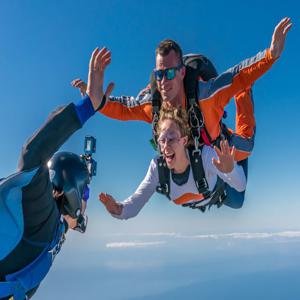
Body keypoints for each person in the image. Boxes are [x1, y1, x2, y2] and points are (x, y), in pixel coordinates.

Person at [72, 18, 292, 162]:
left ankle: (244, 94)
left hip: (213, 141)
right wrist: (95, 100)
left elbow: (237, 74)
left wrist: (270, 55)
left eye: (169, 73)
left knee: (247, 146)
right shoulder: (153, 104)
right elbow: (123, 108)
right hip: (185, 150)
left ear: (182, 73)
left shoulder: (205, 95)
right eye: (159, 74)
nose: (163, 81)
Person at [0, 47, 111, 300]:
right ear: (69, 192)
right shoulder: (39, 212)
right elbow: (32, 154)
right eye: (85, 193)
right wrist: (87, 106)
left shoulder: (50, 226)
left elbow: (69, 222)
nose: (85, 203)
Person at [99, 104, 246, 218]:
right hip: (204, 198)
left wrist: (230, 169)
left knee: (239, 200)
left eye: (172, 139)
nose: (166, 146)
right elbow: (137, 201)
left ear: (184, 140)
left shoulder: (205, 157)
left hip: (220, 191)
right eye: (162, 140)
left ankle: (243, 92)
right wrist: (118, 209)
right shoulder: (158, 167)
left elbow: (240, 186)